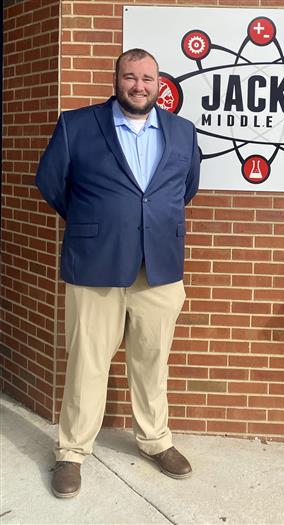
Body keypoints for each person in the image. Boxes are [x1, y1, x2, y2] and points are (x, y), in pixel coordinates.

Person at [36, 48, 200, 498]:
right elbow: (51, 183)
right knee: (87, 362)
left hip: (160, 268)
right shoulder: (76, 125)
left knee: (152, 360)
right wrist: (97, 222)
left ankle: (155, 440)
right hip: (95, 266)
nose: (139, 86)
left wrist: (143, 225)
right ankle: (71, 451)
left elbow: (185, 189)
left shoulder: (183, 132)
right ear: (117, 79)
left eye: (148, 78)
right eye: (130, 76)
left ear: (159, 83)